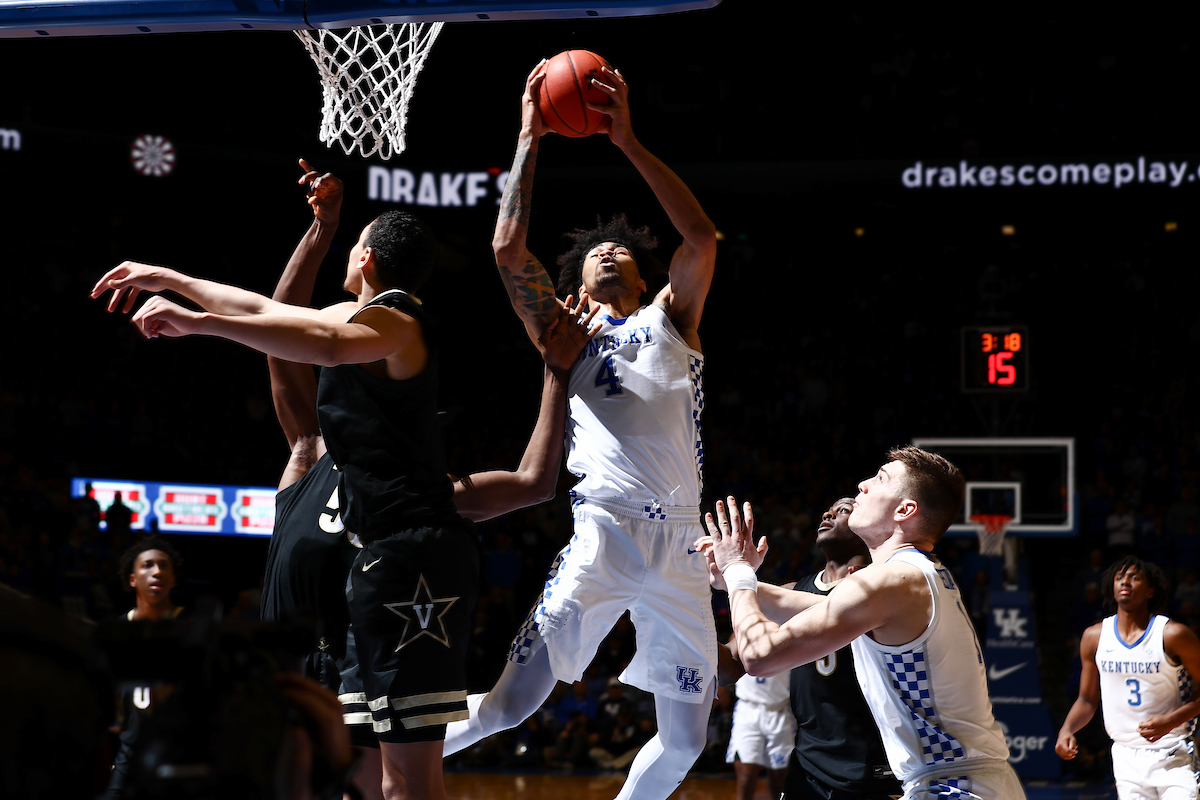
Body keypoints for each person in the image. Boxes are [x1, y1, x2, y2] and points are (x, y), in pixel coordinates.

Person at [92, 166, 595, 800]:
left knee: (407, 785)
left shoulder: (399, 322)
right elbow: (269, 314)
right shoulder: (352, 368)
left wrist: (198, 324)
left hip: (415, 560)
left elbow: (323, 344)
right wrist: (172, 280)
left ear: (366, 256)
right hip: (376, 568)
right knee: (382, 785)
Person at [442, 58, 718, 800]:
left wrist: (626, 139)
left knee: (689, 739)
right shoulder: (564, 332)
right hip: (605, 532)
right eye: (595, 250)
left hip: (685, 543)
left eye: (622, 248)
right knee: (508, 706)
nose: (608, 248)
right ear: (571, 286)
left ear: (641, 275)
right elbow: (506, 251)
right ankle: (371, 763)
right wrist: (530, 135)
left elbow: (701, 239)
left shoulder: (673, 318)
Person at [701, 446, 1025, 799]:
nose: (863, 484)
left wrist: (738, 573)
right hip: (963, 780)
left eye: (880, 478)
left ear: (905, 510)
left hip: (954, 786)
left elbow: (758, 656)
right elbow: (816, 607)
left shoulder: (890, 581)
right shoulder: (912, 575)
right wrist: (726, 577)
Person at [1056, 556, 1200, 799]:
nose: (1126, 582)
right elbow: (1087, 699)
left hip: (1173, 751)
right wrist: (1067, 729)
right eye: (1120, 577)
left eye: (1135, 577)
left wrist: (1171, 720)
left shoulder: (1173, 634)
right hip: (1125, 755)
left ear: (1150, 590)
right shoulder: (1094, 637)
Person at [104, 536, 186, 798]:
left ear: (173, 579)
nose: (157, 572)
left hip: (178, 758)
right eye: (147, 565)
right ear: (132, 579)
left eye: (163, 566)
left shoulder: (190, 630)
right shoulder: (115, 634)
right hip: (128, 754)